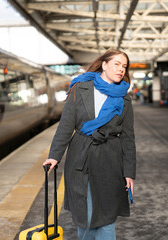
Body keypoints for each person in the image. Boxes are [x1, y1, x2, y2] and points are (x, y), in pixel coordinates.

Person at [43, 49, 136, 240]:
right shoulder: (80, 88)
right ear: (104, 65)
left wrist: (129, 173)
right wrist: (54, 155)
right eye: (117, 64)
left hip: (110, 161)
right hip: (80, 157)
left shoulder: (124, 99)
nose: (121, 69)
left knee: (106, 216)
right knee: (85, 214)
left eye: (124, 66)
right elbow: (66, 125)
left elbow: (128, 138)